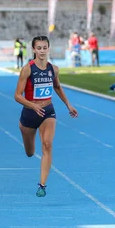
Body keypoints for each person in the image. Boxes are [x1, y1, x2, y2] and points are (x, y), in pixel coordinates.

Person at [14, 36, 78, 197]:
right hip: (29, 113)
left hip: (47, 112)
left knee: (47, 144)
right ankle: (24, 132)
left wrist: (68, 104)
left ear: (48, 49)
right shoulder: (27, 69)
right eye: (39, 48)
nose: (42, 51)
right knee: (30, 152)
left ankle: (42, 185)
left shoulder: (53, 69)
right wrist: (32, 105)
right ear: (34, 50)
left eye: (45, 48)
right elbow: (17, 95)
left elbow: (57, 87)